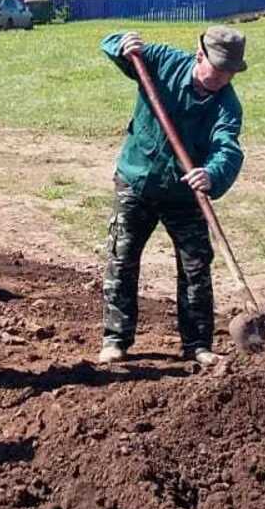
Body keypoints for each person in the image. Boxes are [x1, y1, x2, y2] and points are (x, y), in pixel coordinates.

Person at [97, 26, 246, 367]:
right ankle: (115, 339)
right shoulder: (163, 61)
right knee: (122, 257)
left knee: (196, 266)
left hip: (185, 193)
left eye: (230, 72)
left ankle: (197, 344)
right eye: (218, 69)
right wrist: (122, 44)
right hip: (137, 181)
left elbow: (228, 148)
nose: (223, 78)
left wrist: (211, 173)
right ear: (200, 55)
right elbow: (112, 46)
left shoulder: (227, 104)